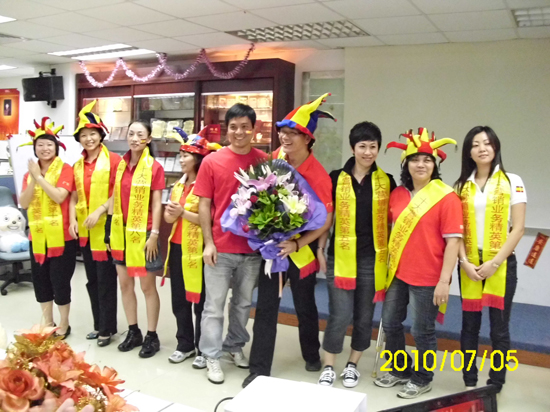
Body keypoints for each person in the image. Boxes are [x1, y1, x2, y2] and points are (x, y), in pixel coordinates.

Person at [243, 93, 335, 388]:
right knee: (266, 307)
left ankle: (311, 353)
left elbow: (326, 220)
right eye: (282, 132)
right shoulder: (274, 160)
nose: (285, 137)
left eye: (293, 133)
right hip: (273, 249)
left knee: (305, 306)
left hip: (301, 250)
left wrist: (298, 244)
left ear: (307, 139)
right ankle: (259, 368)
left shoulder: (319, 175)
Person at [374, 128, 462, 399]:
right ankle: (400, 370)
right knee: (390, 323)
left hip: (429, 276)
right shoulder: (398, 194)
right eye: (414, 159)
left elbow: (453, 242)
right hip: (397, 273)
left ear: (435, 165)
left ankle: (423, 378)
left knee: (422, 331)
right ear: (406, 164)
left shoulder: (446, 197)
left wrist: (444, 280)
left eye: (427, 160)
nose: (421, 164)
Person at [317, 121, 396, 388]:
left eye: (373, 146)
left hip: (372, 261)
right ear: (353, 148)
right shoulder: (336, 178)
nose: (368, 152)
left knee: (364, 316)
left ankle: (352, 364)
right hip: (339, 257)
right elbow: (327, 218)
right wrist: (320, 249)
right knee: (339, 315)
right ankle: (329, 365)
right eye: (362, 146)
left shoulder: (387, 181)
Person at [194, 103, 268, 384]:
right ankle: (211, 355)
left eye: (245, 127)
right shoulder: (212, 161)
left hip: (252, 249)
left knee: (242, 304)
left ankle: (234, 346)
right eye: (233, 127)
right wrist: (208, 243)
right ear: (227, 129)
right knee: (213, 306)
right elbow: (204, 204)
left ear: (254, 129)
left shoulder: (264, 161)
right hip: (220, 248)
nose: (239, 132)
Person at [455, 126, 526, 392]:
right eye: (475, 144)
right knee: (469, 326)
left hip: (501, 264)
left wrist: (494, 263)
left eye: (487, 143)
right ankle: (469, 379)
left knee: (499, 327)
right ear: (468, 152)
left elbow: (518, 229)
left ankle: (496, 381)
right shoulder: (460, 186)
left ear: (495, 147)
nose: (482, 148)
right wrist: (464, 262)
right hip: (470, 263)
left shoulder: (512, 181)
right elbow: (456, 231)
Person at [162, 129, 220, 369]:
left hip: (198, 249)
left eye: (186, 155)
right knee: (179, 300)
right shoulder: (179, 184)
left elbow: (210, 219)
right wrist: (171, 214)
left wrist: (182, 213)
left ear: (198, 159)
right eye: (180, 155)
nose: (181, 159)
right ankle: (184, 344)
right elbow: (170, 218)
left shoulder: (206, 184)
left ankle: (202, 347)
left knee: (202, 301)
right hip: (177, 247)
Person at [107, 120, 165, 358]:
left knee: (147, 286)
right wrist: (109, 230)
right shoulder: (120, 165)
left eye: (140, 134)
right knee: (125, 284)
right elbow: (114, 198)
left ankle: (152, 335)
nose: (134, 138)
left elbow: (157, 203)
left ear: (148, 139)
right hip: (121, 232)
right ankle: (134, 331)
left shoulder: (154, 167)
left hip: (145, 233)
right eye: (131, 133)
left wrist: (155, 234)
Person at [69, 100, 121, 347]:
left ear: (101, 135)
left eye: (92, 134)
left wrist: (100, 210)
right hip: (86, 230)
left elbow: (119, 193)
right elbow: (74, 196)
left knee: (106, 279)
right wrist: (72, 220)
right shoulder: (77, 165)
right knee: (92, 280)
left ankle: (107, 328)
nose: (88, 139)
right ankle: (99, 324)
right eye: (83, 135)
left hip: (106, 230)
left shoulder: (114, 161)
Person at [19, 118, 76, 339]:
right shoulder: (29, 175)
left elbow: (59, 196)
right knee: (41, 281)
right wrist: (34, 179)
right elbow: (24, 203)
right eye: (40, 145)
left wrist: (39, 177)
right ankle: (48, 321)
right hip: (37, 237)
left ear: (56, 148)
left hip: (62, 237)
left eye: (49, 144)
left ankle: (64, 323)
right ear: (35, 148)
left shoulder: (65, 170)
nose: (45, 148)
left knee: (60, 282)